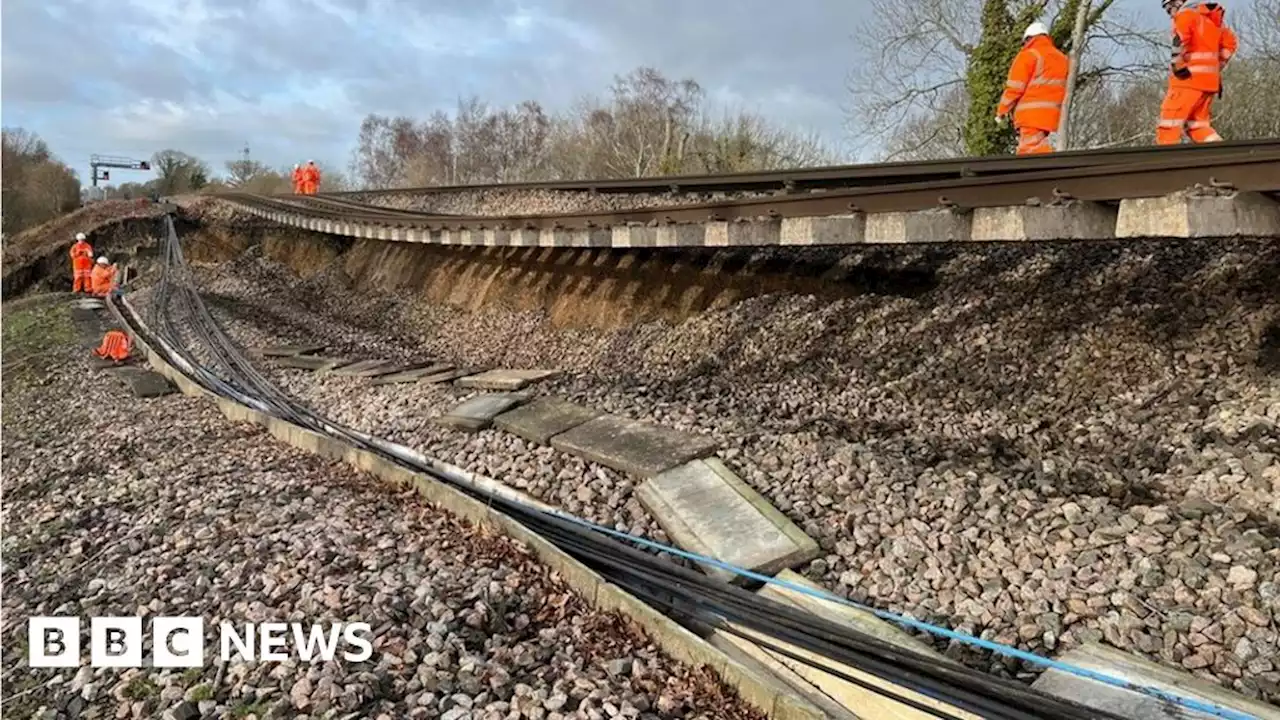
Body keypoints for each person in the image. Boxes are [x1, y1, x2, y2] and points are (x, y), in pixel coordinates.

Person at [1156, 0, 1237, 144]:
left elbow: (1179, 40)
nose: (1170, 14)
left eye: (1169, 8)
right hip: (1209, 84)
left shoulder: (1185, 15)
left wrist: (1177, 65)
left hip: (1187, 80)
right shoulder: (1212, 20)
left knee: (1169, 122)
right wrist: (1216, 67)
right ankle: (1219, 153)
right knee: (1197, 126)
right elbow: (1230, 43)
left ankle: (1166, 160)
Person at [996, 22, 1070, 155]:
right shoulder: (1062, 58)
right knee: (1036, 149)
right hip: (1053, 116)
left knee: (1030, 155)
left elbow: (1014, 88)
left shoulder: (1028, 55)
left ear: (1029, 39)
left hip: (1030, 115)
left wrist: (1002, 110)